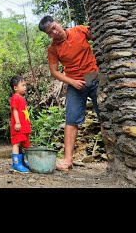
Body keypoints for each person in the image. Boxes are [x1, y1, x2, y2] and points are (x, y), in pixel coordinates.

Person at [38, 15, 101, 171]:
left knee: (106, 115)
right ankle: (67, 160)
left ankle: (114, 155)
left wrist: (94, 25)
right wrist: (71, 82)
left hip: (95, 75)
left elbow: (96, 35)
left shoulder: (79, 30)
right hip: (74, 83)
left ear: (58, 23)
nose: (54, 32)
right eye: (49, 33)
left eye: (54, 27)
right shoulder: (53, 49)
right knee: (71, 119)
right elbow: (54, 72)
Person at [9, 75, 32, 173]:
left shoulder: (21, 98)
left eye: (25, 85)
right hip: (18, 126)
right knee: (16, 143)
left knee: (22, 144)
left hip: (23, 127)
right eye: (23, 85)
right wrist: (17, 122)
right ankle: (16, 164)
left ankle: (21, 162)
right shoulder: (15, 97)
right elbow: (15, 110)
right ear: (15, 88)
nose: (25, 87)